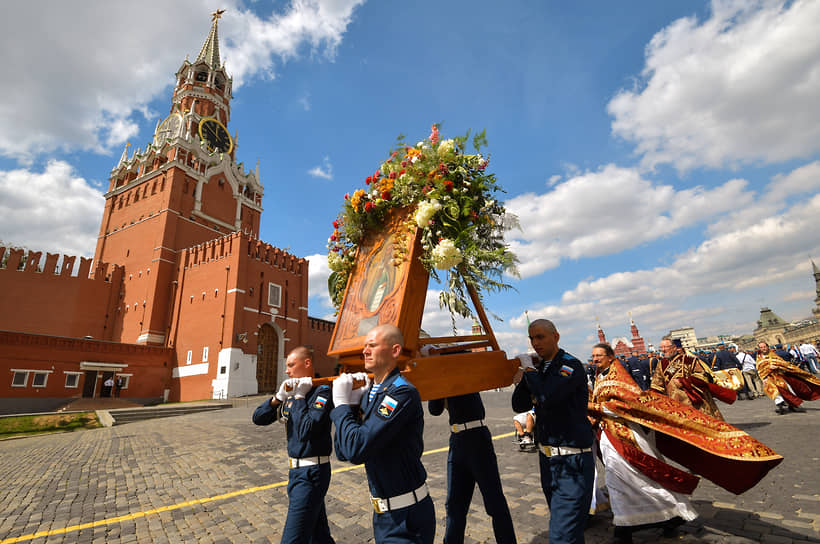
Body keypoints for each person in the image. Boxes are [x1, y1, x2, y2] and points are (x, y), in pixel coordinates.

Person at [331, 324, 435, 543]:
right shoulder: (372, 393)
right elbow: (343, 451)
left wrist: (340, 406)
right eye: (365, 346)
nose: (365, 351)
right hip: (383, 516)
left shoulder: (401, 392)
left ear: (395, 351)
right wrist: (350, 406)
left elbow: (356, 449)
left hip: (406, 518)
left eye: (372, 345)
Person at [589, 343, 697, 543]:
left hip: (625, 435)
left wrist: (594, 407)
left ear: (611, 357)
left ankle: (640, 524)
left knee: (633, 477)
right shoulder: (600, 376)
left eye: (599, 356)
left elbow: (628, 405)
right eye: (593, 356)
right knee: (619, 480)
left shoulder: (618, 378)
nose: (595, 359)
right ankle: (636, 522)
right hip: (609, 435)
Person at [512, 319, 594, 544]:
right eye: (531, 338)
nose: (535, 342)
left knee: (561, 536)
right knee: (570, 532)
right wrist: (525, 375)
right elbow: (518, 405)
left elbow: (548, 397)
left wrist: (530, 371)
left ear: (555, 337)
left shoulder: (570, 365)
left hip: (571, 460)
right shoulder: (540, 369)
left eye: (540, 337)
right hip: (548, 461)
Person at [252, 346, 336, 544]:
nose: (287, 370)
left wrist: (299, 397)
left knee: (293, 539)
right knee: (319, 535)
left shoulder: (321, 392)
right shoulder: (291, 394)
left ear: (307, 364)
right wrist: (278, 398)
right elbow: (258, 418)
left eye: (291, 365)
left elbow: (307, 429)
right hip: (296, 473)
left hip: (312, 472)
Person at [428, 393, 517, 544]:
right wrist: (439, 388)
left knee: (495, 503)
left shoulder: (466, 373)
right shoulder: (442, 378)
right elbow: (434, 410)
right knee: (454, 506)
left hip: (478, 438)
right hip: (456, 440)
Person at [652, 339, 725, 420]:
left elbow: (702, 377)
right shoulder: (661, 364)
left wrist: (684, 381)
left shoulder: (690, 360)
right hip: (675, 404)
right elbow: (656, 384)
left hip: (693, 402)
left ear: (674, 348)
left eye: (666, 347)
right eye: (661, 347)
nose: (663, 350)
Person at [756, 341, 820, 414]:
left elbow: (784, 364)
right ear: (759, 349)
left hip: (780, 376)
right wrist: (764, 378)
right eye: (761, 347)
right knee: (776, 392)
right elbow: (760, 370)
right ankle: (780, 407)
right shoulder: (759, 359)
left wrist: (777, 366)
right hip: (769, 378)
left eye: (764, 347)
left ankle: (792, 405)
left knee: (789, 390)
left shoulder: (774, 355)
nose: (763, 348)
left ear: (767, 347)